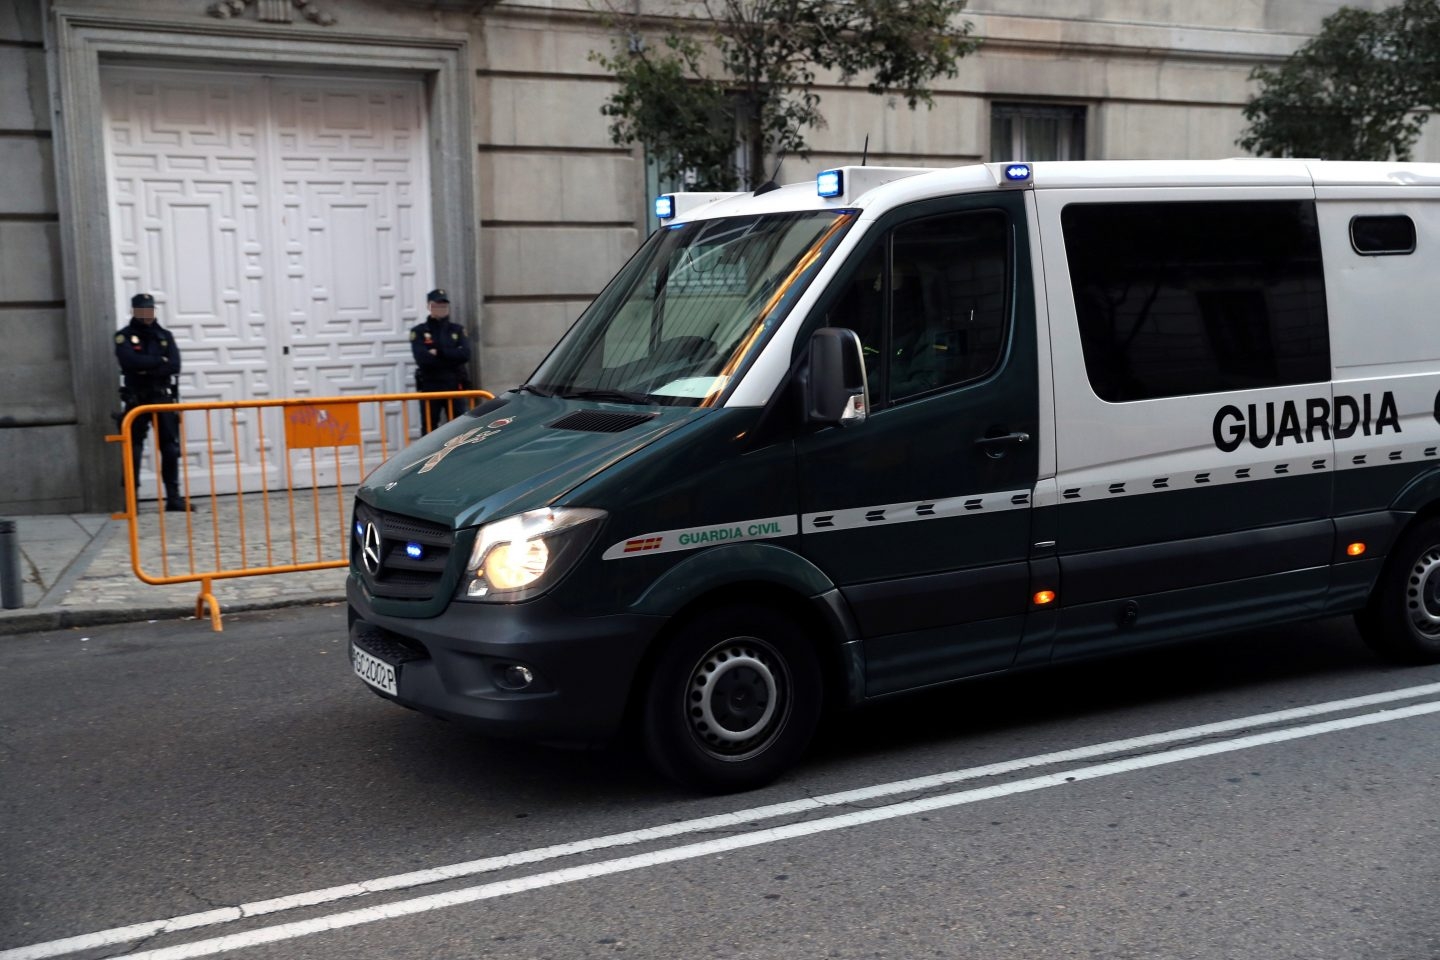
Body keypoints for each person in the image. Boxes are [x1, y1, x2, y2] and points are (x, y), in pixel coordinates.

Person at [115, 293, 191, 512]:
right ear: (134, 311)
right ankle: (132, 500)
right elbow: (129, 361)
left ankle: (173, 497)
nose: (146, 314)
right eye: (142, 310)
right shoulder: (124, 336)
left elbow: (175, 365)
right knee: (134, 448)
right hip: (137, 397)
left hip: (161, 396)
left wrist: (146, 366)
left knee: (169, 447)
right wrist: (159, 361)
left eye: (149, 309)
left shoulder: (164, 336)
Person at [409, 288, 472, 433]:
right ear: (429, 306)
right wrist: (452, 356)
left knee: (460, 427)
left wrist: (439, 352)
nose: (441, 308)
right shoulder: (419, 331)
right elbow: (423, 359)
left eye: (444, 305)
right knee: (430, 428)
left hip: (455, 385)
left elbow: (465, 355)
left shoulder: (457, 330)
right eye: (436, 304)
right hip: (431, 385)